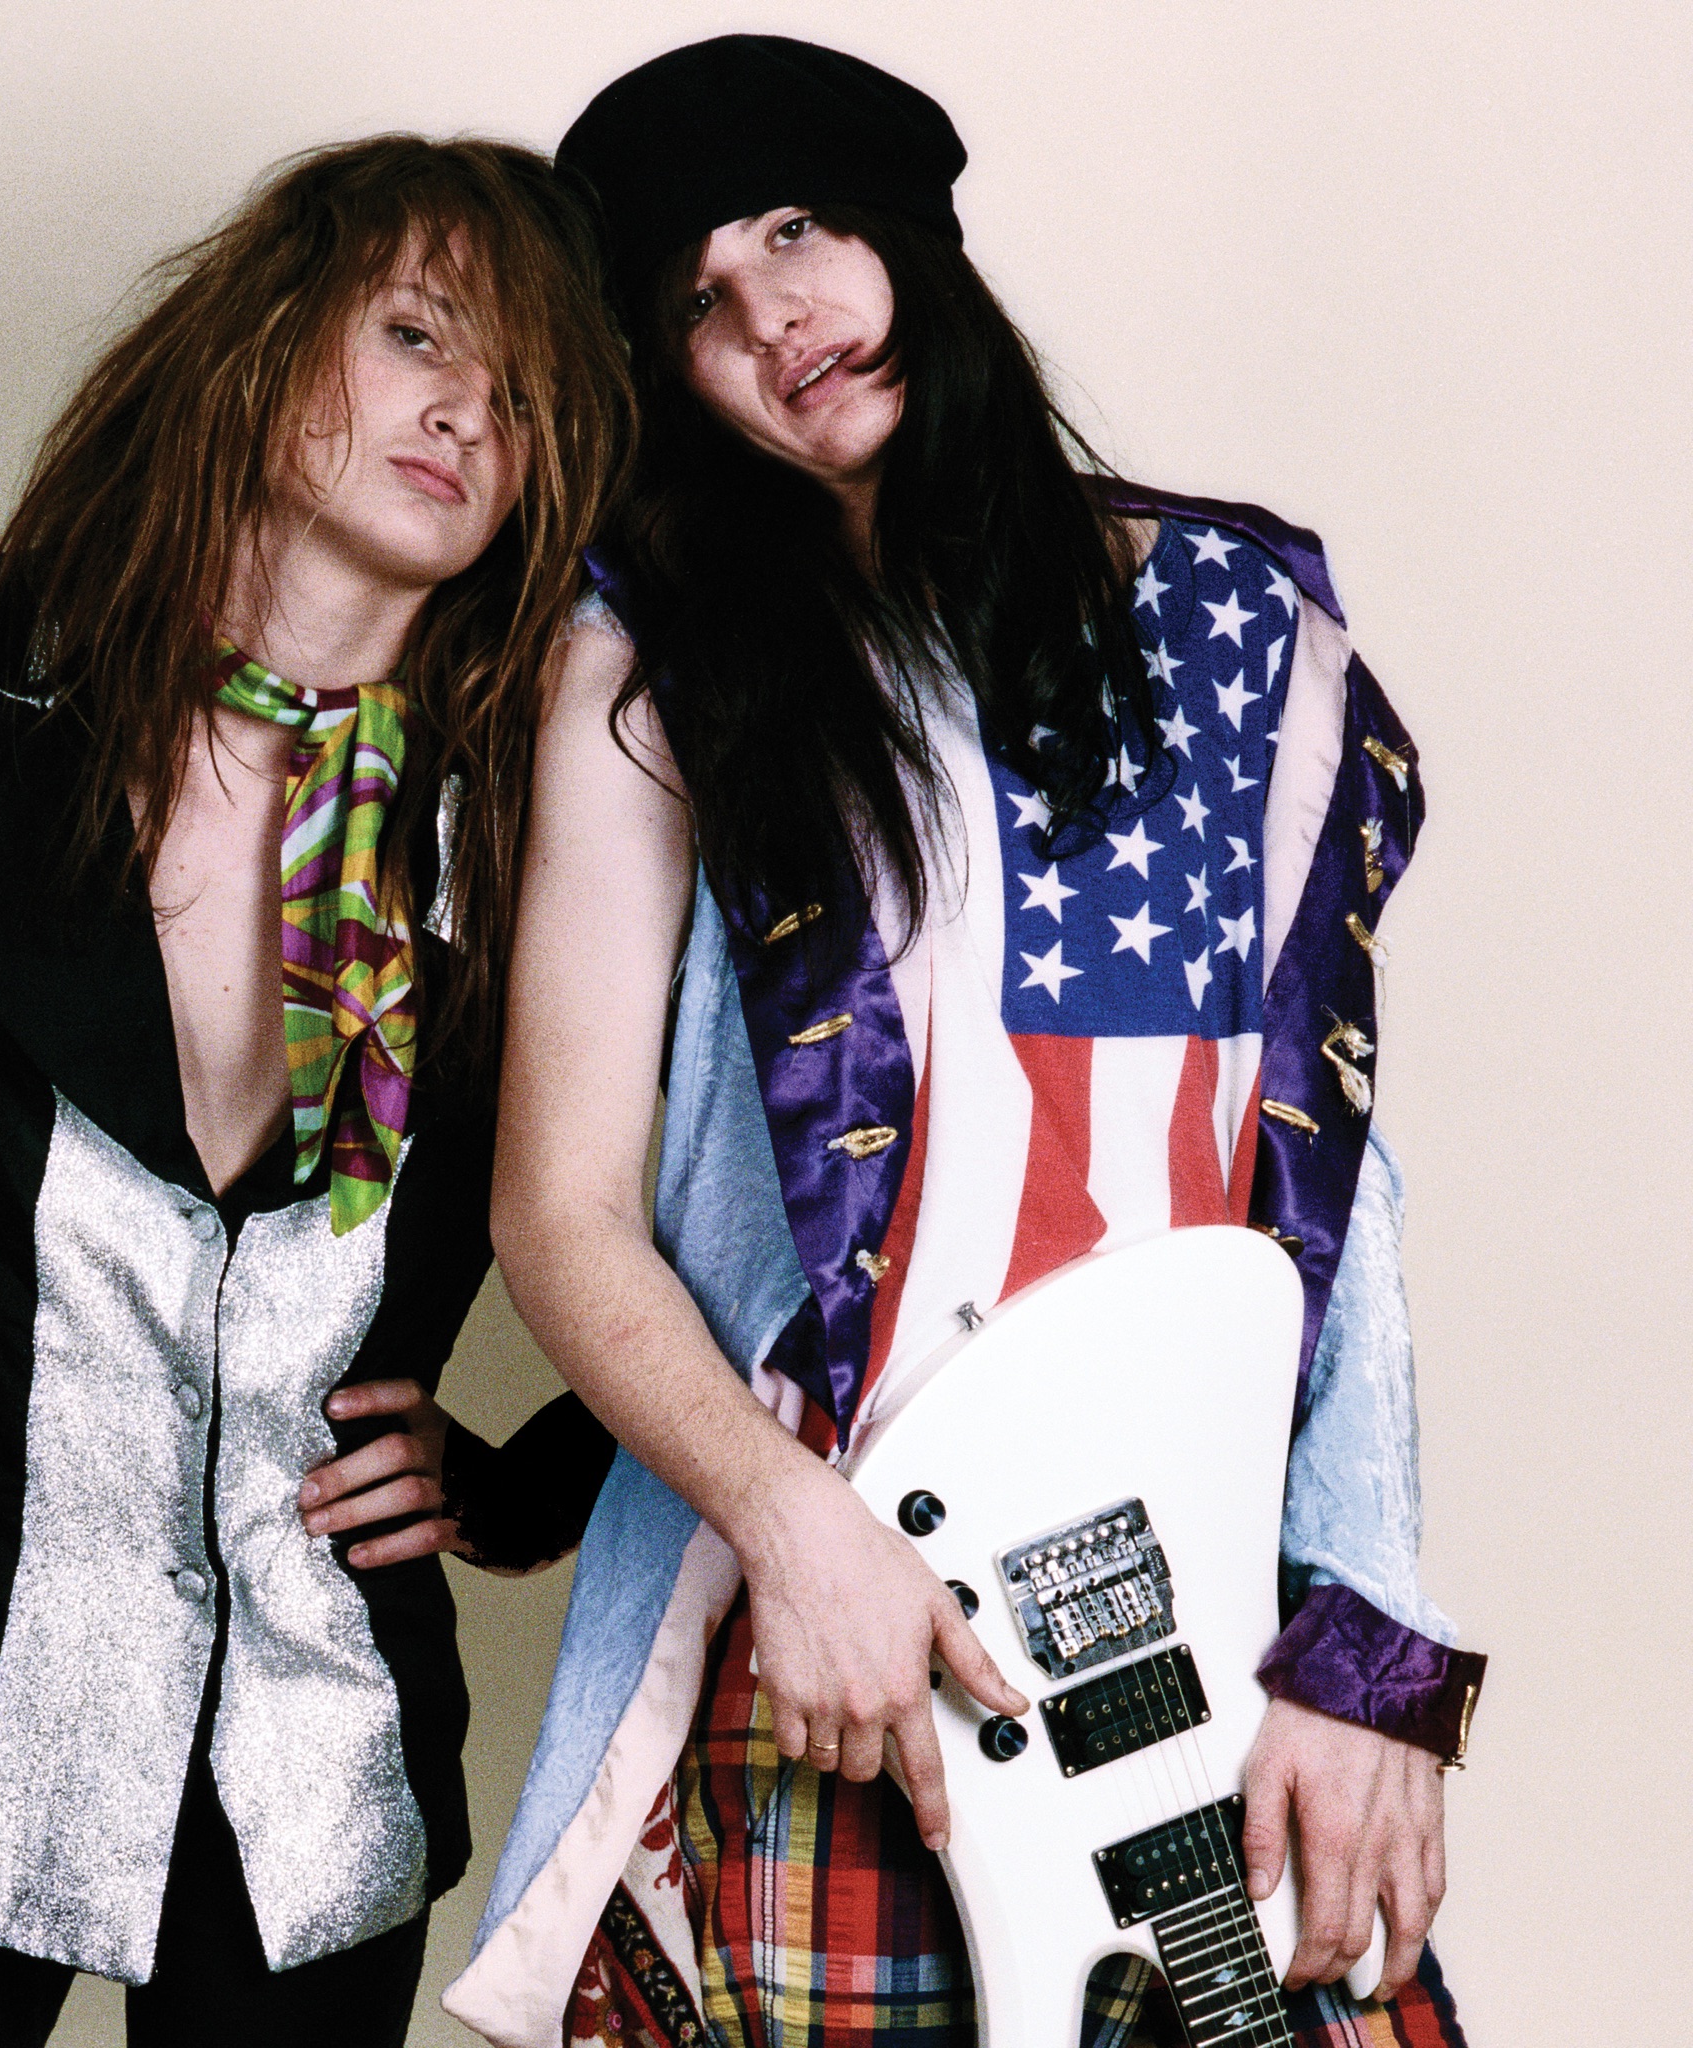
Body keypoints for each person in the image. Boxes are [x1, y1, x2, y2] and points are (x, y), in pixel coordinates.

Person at [444, 37, 1484, 2048]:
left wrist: (1372, 1653)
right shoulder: (647, 665)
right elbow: (557, 1209)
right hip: (845, 1601)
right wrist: (793, 1528)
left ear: (905, 230)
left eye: (797, 229)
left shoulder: (1237, 620)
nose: (774, 318)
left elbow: (1328, 1188)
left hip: (1201, 1603)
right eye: (698, 301)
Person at [0, 136, 625, 2045]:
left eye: (524, 399)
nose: (464, 415)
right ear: (264, 341)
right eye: (420, 333)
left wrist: (537, 1479)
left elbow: (787, 1203)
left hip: (317, 1753)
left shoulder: (549, 810)